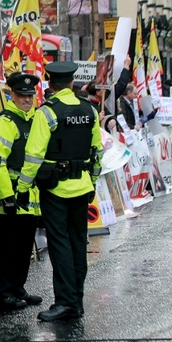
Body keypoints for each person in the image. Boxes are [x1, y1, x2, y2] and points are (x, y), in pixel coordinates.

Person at [15, 61, 103, 322]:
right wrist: (93, 182)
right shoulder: (90, 110)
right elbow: (97, 152)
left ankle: (65, 303)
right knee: (78, 243)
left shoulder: (47, 113)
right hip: (82, 186)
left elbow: (33, 156)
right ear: (73, 83)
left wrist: (22, 188)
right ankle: (77, 300)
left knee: (60, 245)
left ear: (50, 84)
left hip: (55, 189)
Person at [0, 73, 43, 311]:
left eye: (30, 96)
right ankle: (2, 294)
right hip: (11, 195)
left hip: (30, 196)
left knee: (24, 247)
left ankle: (17, 288)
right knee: (8, 247)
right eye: (22, 95)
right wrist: (6, 196)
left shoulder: (35, 120)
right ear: (12, 95)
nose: (26, 100)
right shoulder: (6, 122)